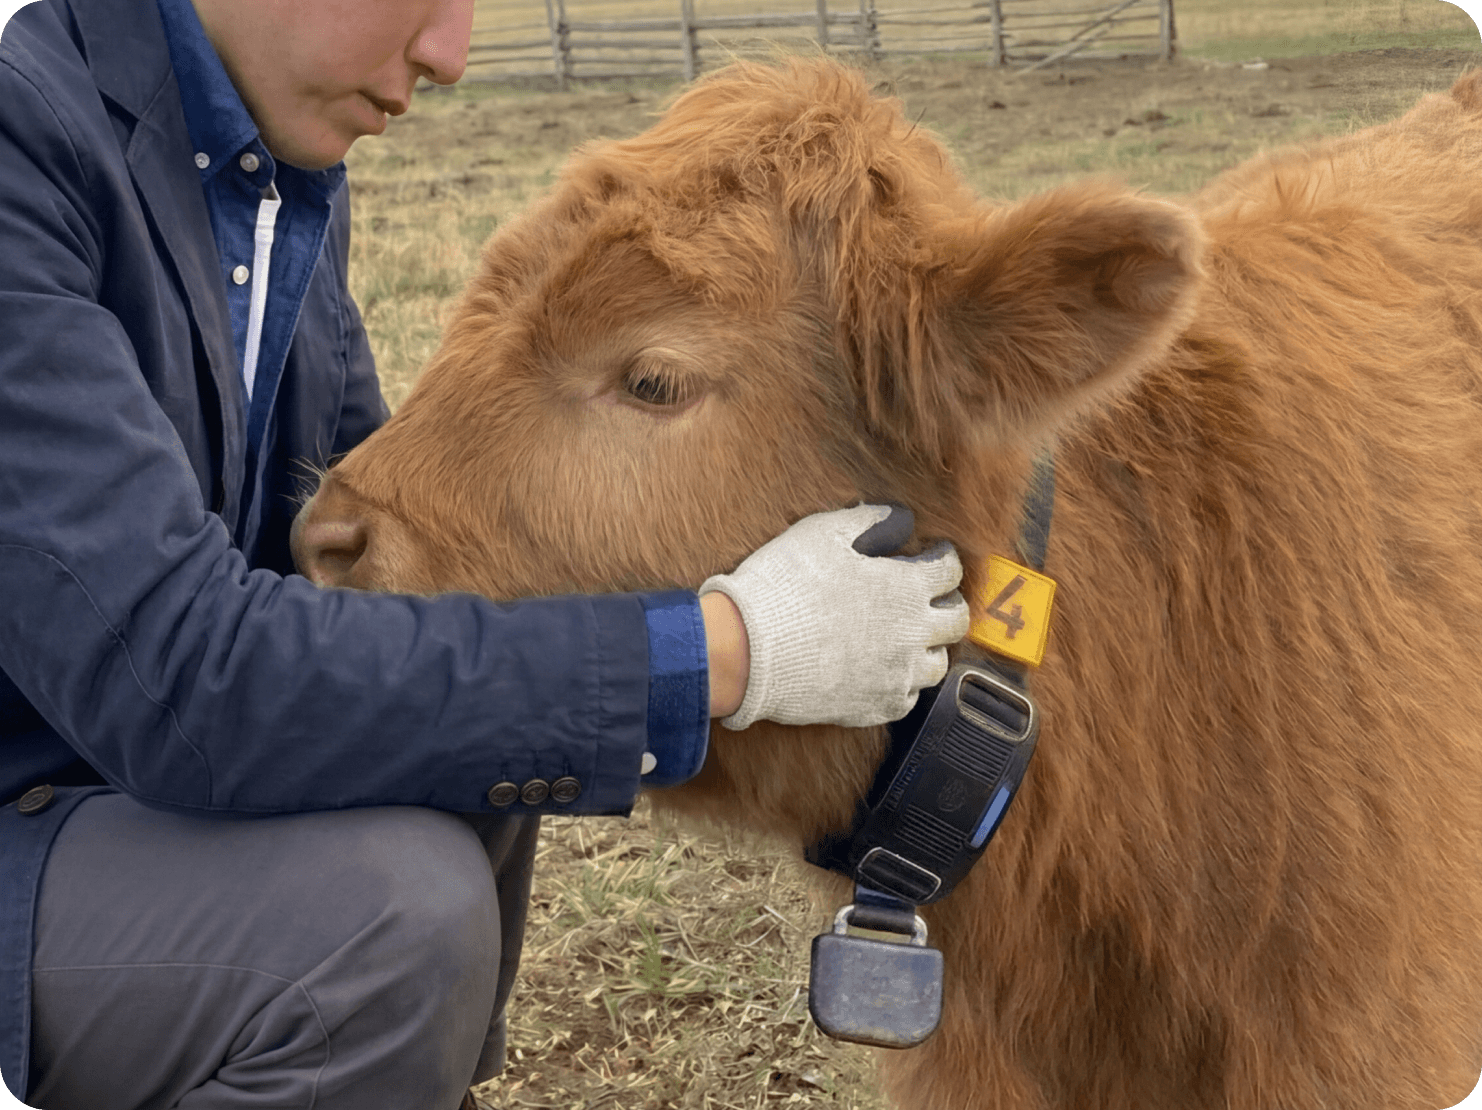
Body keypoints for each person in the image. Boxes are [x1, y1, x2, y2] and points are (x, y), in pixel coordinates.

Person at [0, 0, 970, 1106]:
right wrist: (726, 650)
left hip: (90, 801)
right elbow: (178, 679)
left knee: (469, 720)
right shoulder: (19, 138)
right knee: (384, 927)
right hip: (36, 808)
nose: (450, 55)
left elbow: (363, 554)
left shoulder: (264, 171)